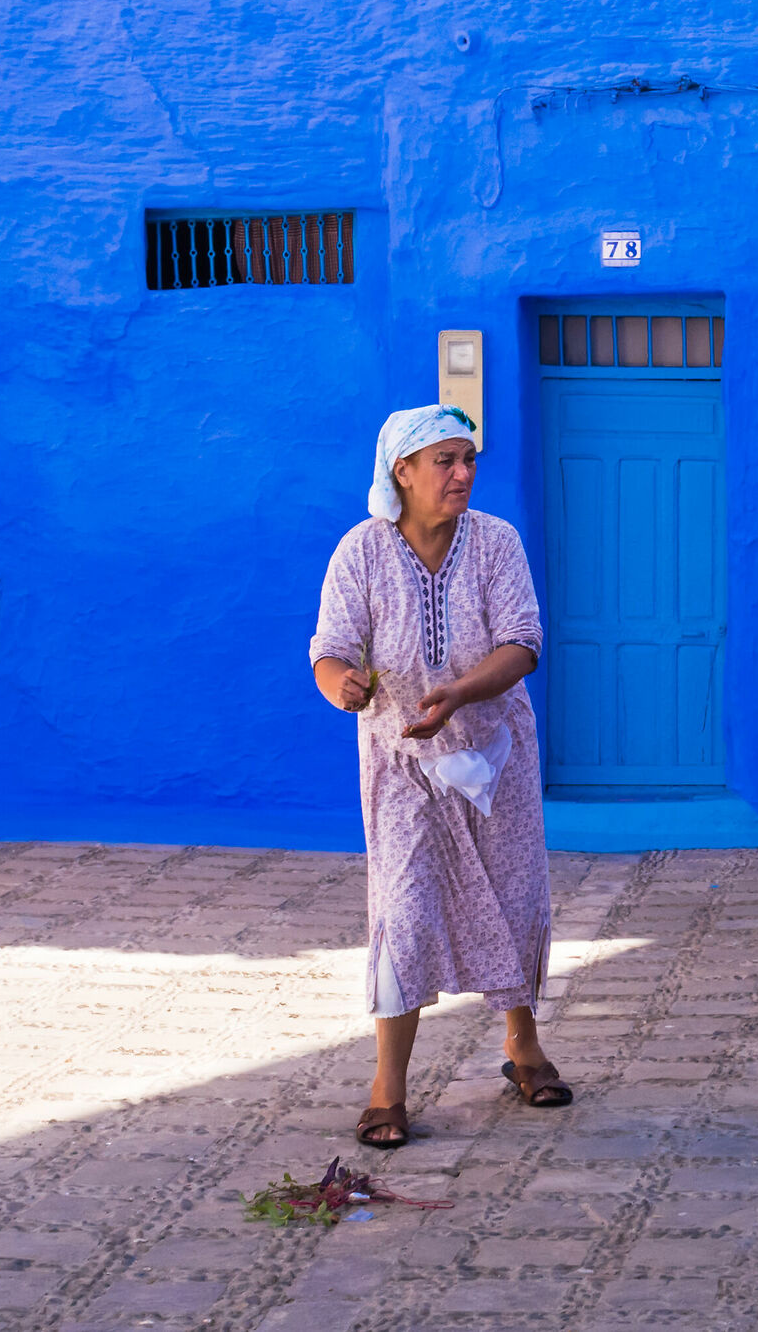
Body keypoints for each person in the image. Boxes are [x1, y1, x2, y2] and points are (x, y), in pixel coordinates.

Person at [308, 404, 572, 1148]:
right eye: (445, 462)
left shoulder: (495, 544)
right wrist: (343, 688)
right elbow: (330, 648)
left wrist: (458, 693)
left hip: (495, 756)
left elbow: (523, 642)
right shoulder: (360, 552)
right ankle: (387, 1086)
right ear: (402, 472)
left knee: (515, 895)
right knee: (405, 910)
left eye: (468, 460)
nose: (462, 475)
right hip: (402, 764)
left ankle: (522, 1047)